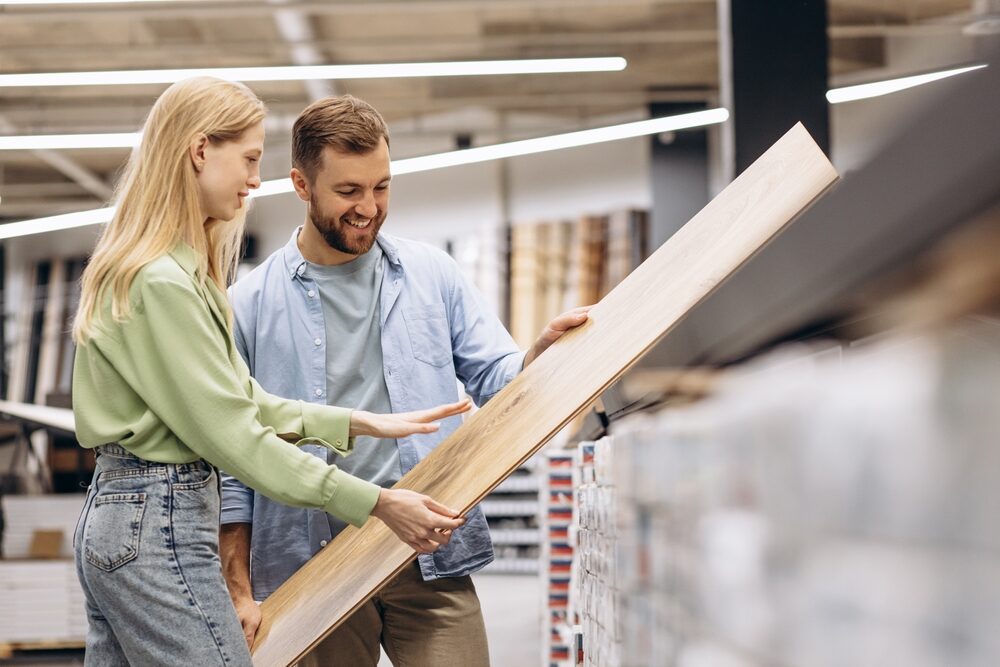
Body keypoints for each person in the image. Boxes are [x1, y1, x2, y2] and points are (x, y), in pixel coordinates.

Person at [70, 78, 472, 667]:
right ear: (200, 150)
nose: (257, 179)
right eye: (251, 158)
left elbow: (242, 399)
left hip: (129, 516)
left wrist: (357, 423)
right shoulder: (162, 282)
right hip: (157, 523)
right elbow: (238, 440)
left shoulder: (174, 272)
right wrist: (377, 501)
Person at [220, 94, 590, 666]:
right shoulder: (247, 306)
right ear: (301, 184)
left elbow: (496, 380)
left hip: (427, 552)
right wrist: (239, 589)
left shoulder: (431, 275)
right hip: (313, 566)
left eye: (381, 187)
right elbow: (234, 465)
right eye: (349, 191)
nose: (369, 207)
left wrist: (535, 357)